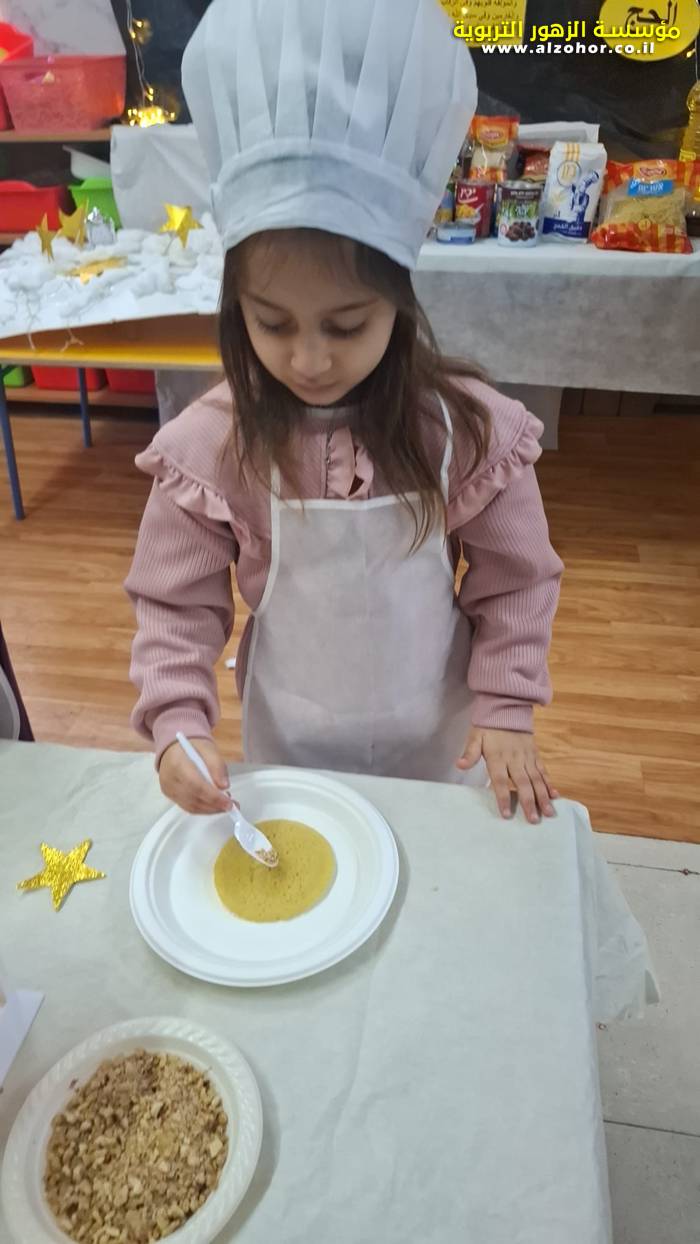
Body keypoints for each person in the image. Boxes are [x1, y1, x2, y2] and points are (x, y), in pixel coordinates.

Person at [125, 0, 564, 825]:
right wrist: (176, 719)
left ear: (399, 301)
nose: (309, 361)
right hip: (289, 745)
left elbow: (517, 579)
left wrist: (508, 703)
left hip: (438, 743)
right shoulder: (213, 446)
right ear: (236, 309)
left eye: (346, 325)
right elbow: (175, 605)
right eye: (273, 324)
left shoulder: (464, 432)